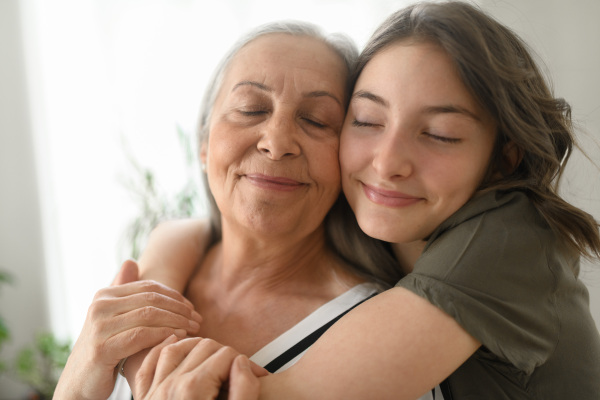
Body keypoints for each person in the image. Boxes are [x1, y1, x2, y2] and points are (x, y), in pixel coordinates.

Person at [130, 1, 600, 399]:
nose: (386, 161)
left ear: (503, 159)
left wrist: (143, 358)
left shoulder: (509, 238)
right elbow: (192, 228)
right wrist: (156, 281)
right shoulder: (373, 219)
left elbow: (278, 394)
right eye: (368, 121)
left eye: (440, 134)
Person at [54, 20, 402, 400]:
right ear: (203, 145)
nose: (277, 141)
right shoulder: (147, 282)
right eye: (251, 109)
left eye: (316, 120)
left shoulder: (378, 339)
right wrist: (75, 383)